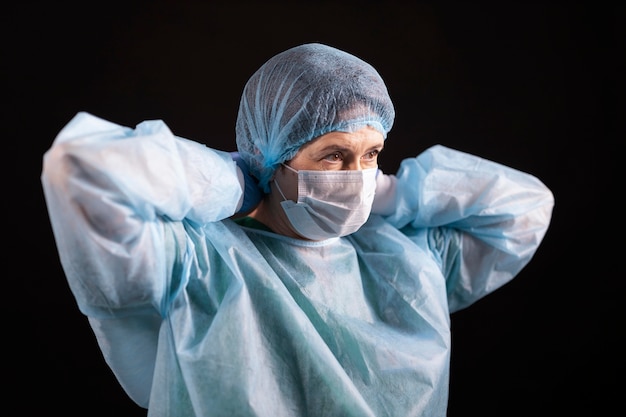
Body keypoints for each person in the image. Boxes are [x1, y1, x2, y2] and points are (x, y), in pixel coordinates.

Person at [41, 43, 554, 416]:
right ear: (274, 155)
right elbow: (81, 169)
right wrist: (236, 181)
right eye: (333, 155)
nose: (357, 178)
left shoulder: (402, 264)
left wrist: (392, 191)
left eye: (371, 155)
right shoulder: (196, 264)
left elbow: (524, 210)